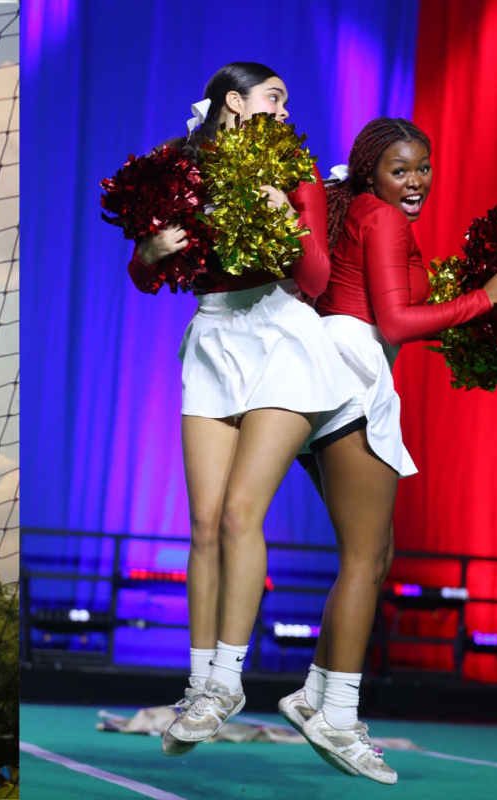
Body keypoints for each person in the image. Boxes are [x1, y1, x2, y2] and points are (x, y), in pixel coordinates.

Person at [277, 118, 497, 784]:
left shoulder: (356, 209)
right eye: (400, 169)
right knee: (365, 557)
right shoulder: (382, 219)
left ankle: (313, 695)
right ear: (370, 172)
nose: (415, 182)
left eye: (423, 167)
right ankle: (338, 714)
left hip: (329, 373)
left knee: (374, 553)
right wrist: (485, 298)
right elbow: (393, 323)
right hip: (351, 377)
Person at [127, 63, 358, 757]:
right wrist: (150, 250)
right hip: (214, 335)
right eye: (275, 97)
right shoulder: (178, 166)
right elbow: (145, 276)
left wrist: (288, 214)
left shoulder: (298, 168)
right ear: (235, 100)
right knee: (201, 523)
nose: (286, 109)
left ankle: (230, 677)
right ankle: (201, 688)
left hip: (285, 335)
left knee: (238, 515)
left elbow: (316, 279)